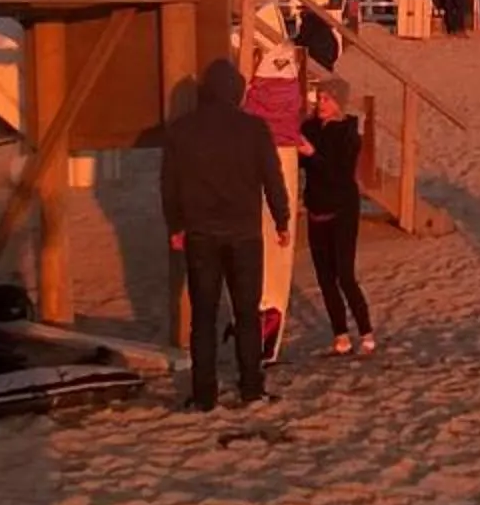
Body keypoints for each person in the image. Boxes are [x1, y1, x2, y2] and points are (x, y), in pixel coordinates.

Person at [159, 62, 291, 412]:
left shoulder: (180, 130)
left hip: (200, 233)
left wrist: (175, 226)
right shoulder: (254, 129)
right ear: (236, 91)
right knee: (247, 313)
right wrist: (282, 220)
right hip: (244, 234)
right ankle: (251, 388)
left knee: (203, 315)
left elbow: (169, 186)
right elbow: (272, 178)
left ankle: (204, 395)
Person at [299, 80, 376, 357]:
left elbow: (339, 175)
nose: (321, 104)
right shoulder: (309, 128)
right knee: (325, 278)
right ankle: (340, 335)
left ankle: (366, 332)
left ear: (339, 104)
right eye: (319, 98)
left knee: (344, 275)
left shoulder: (348, 134)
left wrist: (312, 154)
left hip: (342, 209)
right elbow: (300, 161)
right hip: (316, 209)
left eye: (327, 99)